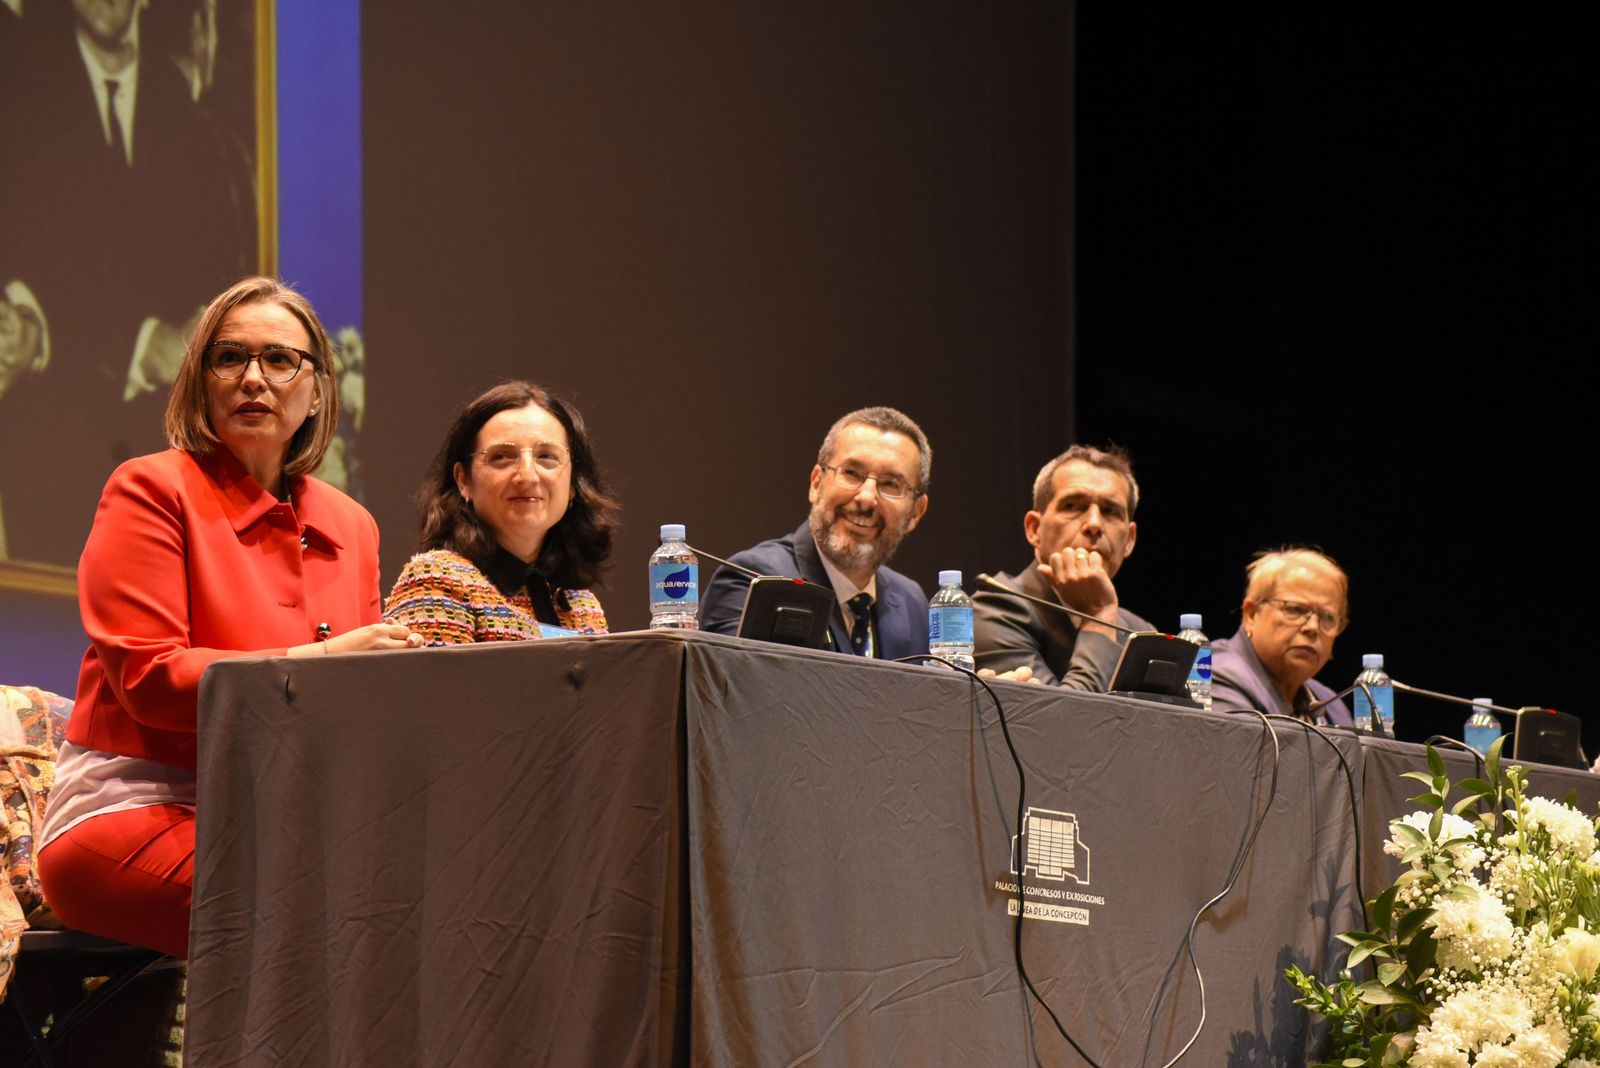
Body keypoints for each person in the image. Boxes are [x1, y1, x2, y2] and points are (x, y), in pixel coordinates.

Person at [34, 277, 421, 958]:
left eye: (279, 360)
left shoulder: (351, 525)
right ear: (199, 379)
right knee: (327, 910)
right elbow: (151, 681)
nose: (253, 378)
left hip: (285, 816)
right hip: (136, 807)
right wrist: (326, 664)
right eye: (229, 357)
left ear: (318, 389)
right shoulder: (151, 488)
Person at [384, 381, 618, 644]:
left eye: (547, 457)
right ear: (464, 480)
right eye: (502, 457)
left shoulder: (582, 604)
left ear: (574, 484)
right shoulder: (435, 581)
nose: (527, 476)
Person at [699, 406, 931, 659]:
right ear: (816, 483)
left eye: (890, 484)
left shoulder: (912, 602)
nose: (866, 499)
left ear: (916, 513)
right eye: (851, 473)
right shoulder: (755, 581)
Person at [973, 444, 1151, 688]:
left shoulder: (1143, 633)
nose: (1094, 524)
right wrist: (1098, 616)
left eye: (1110, 511)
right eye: (1073, 506)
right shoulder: (997, 609)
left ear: (1130, 540)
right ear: (1034, 529)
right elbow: (1063, 721)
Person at [1209, 548, 1354, 724]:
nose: (1313, 627)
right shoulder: (1216, 677)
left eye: (1327, 617)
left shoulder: (1331, 704)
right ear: (1251, 614)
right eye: (1295, 609)